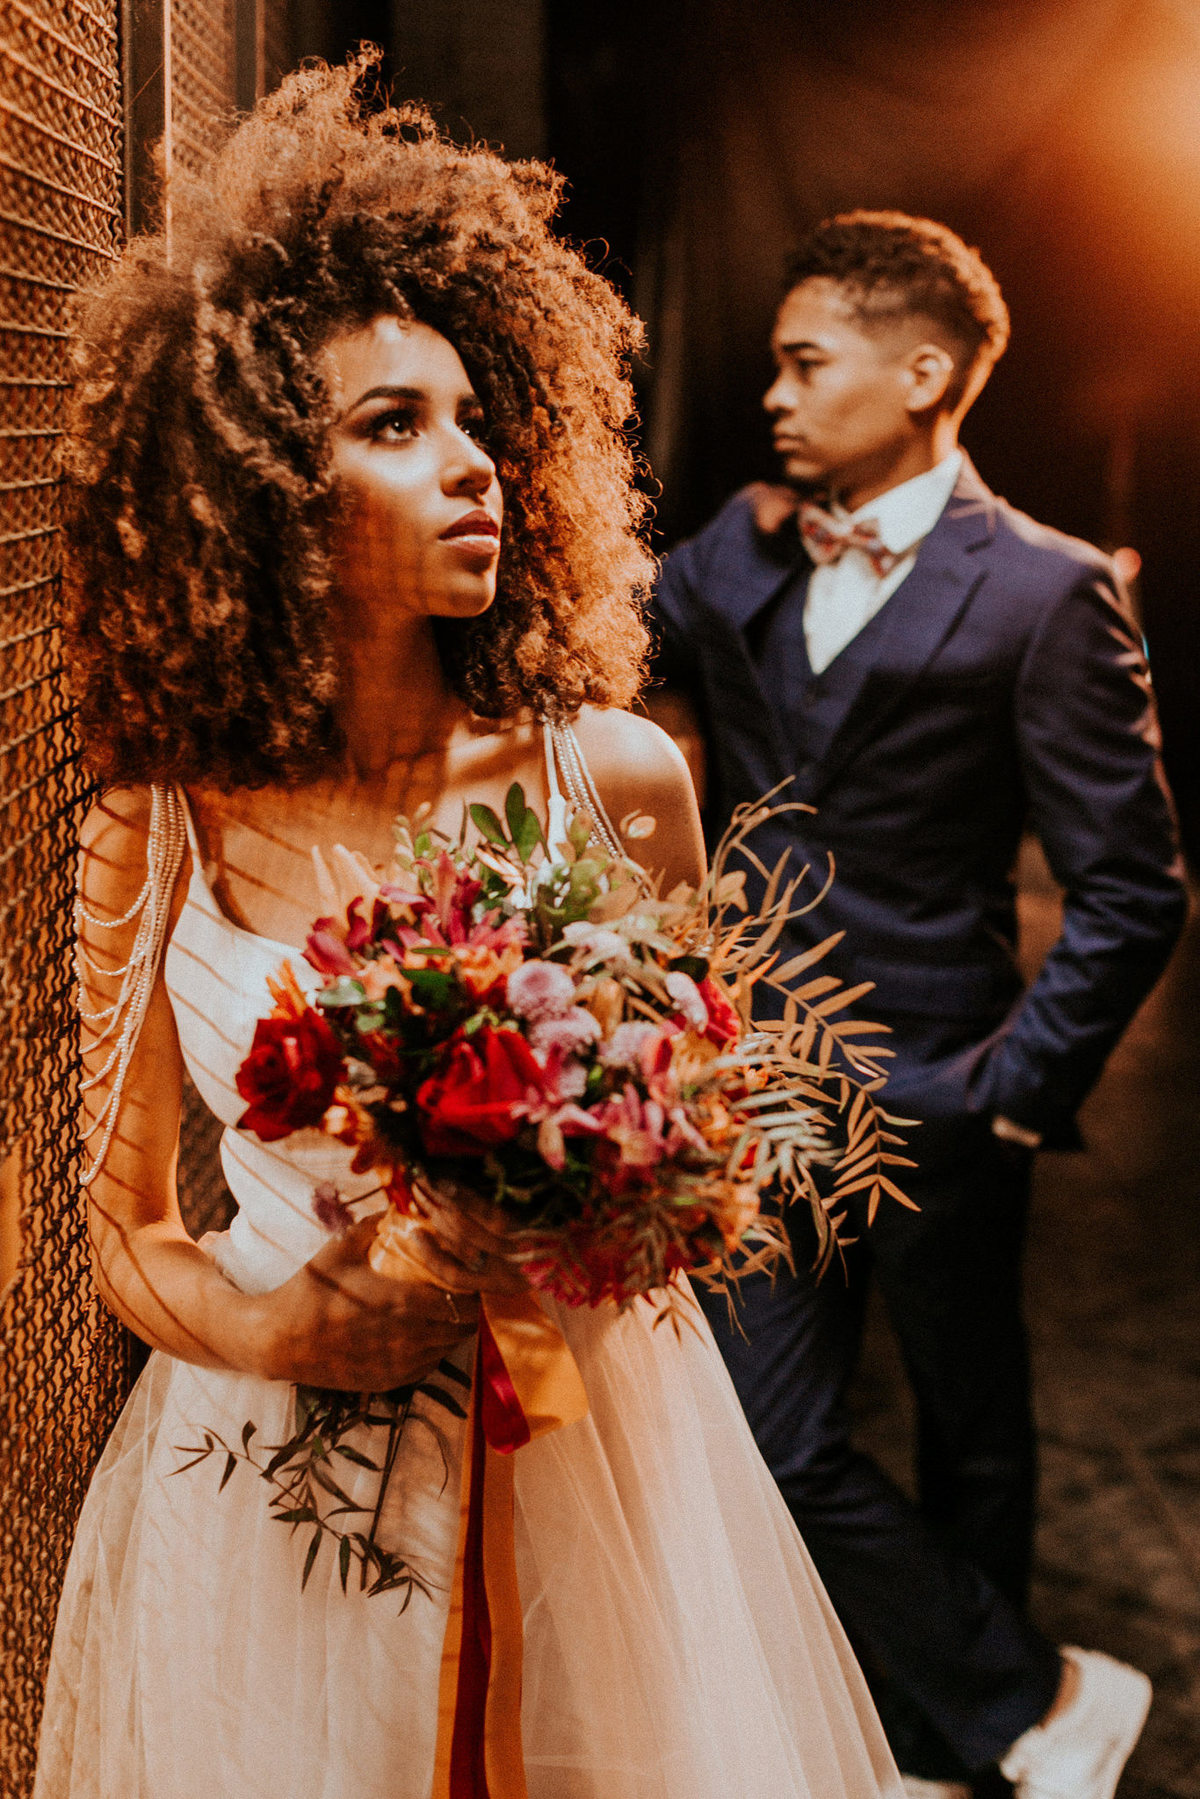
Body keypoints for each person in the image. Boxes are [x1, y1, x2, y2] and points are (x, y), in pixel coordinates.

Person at [34, 62, 905, 1799]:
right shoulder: (158, 812)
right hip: (270, 1468)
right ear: (262, 486)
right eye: (392, 426)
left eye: (477, 417)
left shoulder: (617, 777)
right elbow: (115, 1223)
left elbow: (700, 1168)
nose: (473, 463)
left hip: (585, 1452)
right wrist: (295, 1334)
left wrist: (561, 1201)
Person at [650, 210, 1186, 1799]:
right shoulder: (735, 545)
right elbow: (606, 645)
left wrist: (1014, 1085)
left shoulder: (1048, 593)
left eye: (807, 363)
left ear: (924, 371)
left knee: (974, 1426)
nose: (776, 394)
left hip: (949, 1086)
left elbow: (1133, 883)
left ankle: (945, 1745)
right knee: (768, 1436)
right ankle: (1035, 1699)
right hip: (750, 1087)